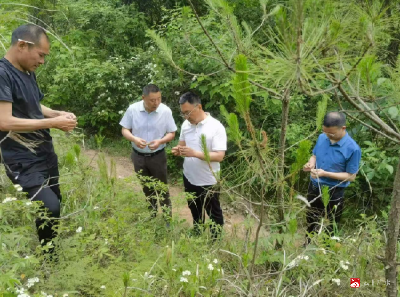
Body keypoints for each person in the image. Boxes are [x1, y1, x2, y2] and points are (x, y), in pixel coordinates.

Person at [0, 24, 77, 253]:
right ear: (23, 45)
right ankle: (49, 260)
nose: (42, 61)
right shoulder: (2, 74)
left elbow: (34, 105)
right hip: (21, 157)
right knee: (49, 206)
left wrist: (57, 114)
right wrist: (53, 123)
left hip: (44, 151)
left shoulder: (27, 72)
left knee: (56, 201)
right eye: (41, 55)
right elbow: (5, 121)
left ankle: (51, 251)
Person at [171, 92, 227, 238]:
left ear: (199, 107)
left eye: (188, 112)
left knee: (213, 212)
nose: (186, 116)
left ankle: (216, 239)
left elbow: (220, 156)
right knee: (194, 208)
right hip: (189, 176)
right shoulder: (185, 124)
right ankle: (197, 231)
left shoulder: (216, 127)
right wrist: (178, 150)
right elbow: (182, 145)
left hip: (209, 180)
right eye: (183, 113)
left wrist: (195, 153)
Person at [120, 84, 177, 220]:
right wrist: (134, 138)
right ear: (143, 98)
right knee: (146, 187)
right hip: (138, 156)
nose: (156, 103)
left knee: (162, 188)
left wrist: (160, 141)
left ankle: (168, 218)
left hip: (157, 156)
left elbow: (172, 132)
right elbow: (124, 130)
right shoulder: (133, 109)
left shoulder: (165, 111)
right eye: (152, 100)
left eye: (159, 99)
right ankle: (152, 214)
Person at [303, 111, 361, 241]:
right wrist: (311, 164)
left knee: (332, 224)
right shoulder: (322, 137)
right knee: (312, 220)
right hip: (314, 187)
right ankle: (308, 246)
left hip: (334, 192)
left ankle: (326, 251)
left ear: (343, 128)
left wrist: (325, 174)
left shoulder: (353, 149)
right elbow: (315, 155)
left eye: (332, 133)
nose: (328, 136)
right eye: (325, 132)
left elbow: (351, 176)